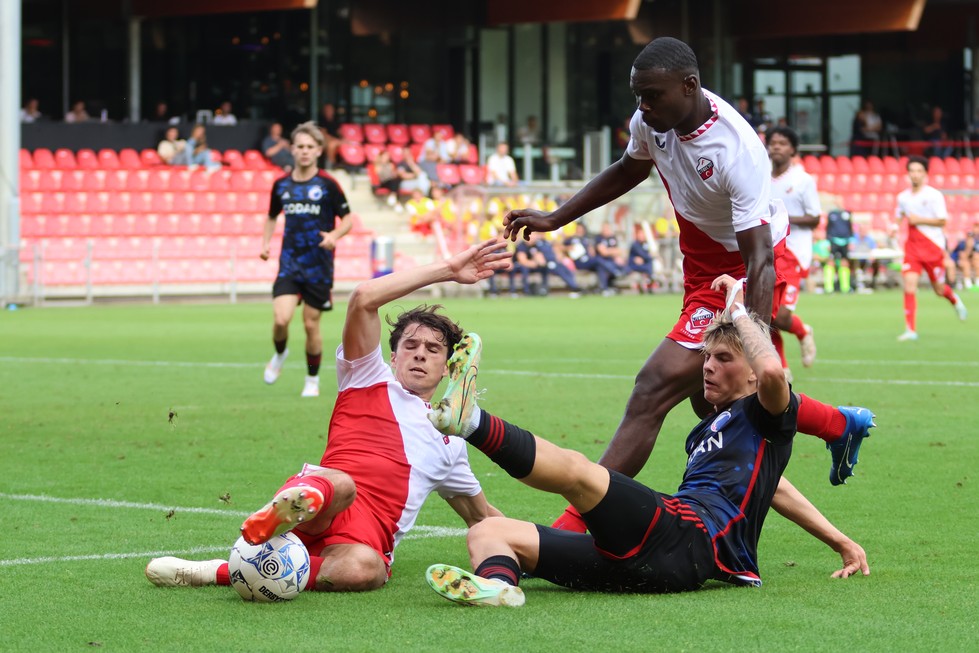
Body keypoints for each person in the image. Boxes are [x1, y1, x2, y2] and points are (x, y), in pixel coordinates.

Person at [503, 37, 875, 532]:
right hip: (699, 263)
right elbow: (627, 169)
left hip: (746, 266)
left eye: (652, 95)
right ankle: (838, 423)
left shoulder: (736, 150)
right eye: (638, 95)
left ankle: (570, 528)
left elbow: (760, 260)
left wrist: (750, 341)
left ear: (689, 86)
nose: (642, 106)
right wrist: (556, 217)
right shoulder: (652, 120)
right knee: (711, 402)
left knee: (653, 388)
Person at [424, 275, 870, 606]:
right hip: (651, 560)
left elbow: (773, 372)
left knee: (581, 473)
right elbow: (777, 490)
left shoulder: (770, 412)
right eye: (706, 357)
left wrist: (737, 310)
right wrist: (841, 541)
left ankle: (472, 422)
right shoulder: (711, 430)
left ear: (751, 372)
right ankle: (500, 588)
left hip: (691, 539)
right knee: (489, 530)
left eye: (723, 359)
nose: (707, 367)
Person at [145, 238, 514, 593]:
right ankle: (281, 515)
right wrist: (449, 269)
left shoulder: (451, 438)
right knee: (341, 484)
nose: (420, 354)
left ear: (447, 368)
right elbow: (364, 298)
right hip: (322, 503)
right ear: (393, 357)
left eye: (433, 349)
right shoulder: (367, 376)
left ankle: (220, 571)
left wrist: (535, 545)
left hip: (363, 537)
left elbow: (480, 518)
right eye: (411, 345)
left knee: (365, 570)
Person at [260, 121, 357, 397]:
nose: (304, 151)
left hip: (318, 266)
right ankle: (280, 354)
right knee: (281, 319)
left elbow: (348, 219)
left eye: (309, 147)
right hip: (290, 262)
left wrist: (334, 236)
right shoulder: (281, 185)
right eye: (299, 146)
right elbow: (271, 216)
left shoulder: (328, 184)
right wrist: (266, 243)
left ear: (318, 151)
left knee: (310, 324)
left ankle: (312, 380)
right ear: (292, 149)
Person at [895, 155, 967, 341]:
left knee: (939, 289)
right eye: (912, 171)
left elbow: (942, 220)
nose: (915, 175)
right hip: (912, 248)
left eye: (919, 171)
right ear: (908, 174)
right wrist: (894, 227)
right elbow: (900, 216)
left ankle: (954, 300)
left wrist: (920, 220)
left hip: (932, 247)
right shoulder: (902, 197)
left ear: (925, 173)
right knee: (909, 285)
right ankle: (910, 330)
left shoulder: (934, 195)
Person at [767, 126, 819, 378]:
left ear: (793, 149)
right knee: (765, 313)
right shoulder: (760, 176)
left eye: (783, 143)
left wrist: (782, 218)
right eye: (773, 142)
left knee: (782, 315)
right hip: (767, 252)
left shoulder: (803, 180)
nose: (776, 146)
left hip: (794, 252)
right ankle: (782, 369)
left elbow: (814, 218)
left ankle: (802, 332)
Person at [318, 102, 343, 169]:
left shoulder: (336, 120)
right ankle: (332, 165)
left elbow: (340, 132)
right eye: (327, 109)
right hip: (327, 141)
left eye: (331, 109)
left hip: (337, 140)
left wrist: (343, 139)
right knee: (332, 144)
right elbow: (324, 135)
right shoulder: (321, 120)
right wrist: (336, 140)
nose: (329, 111)